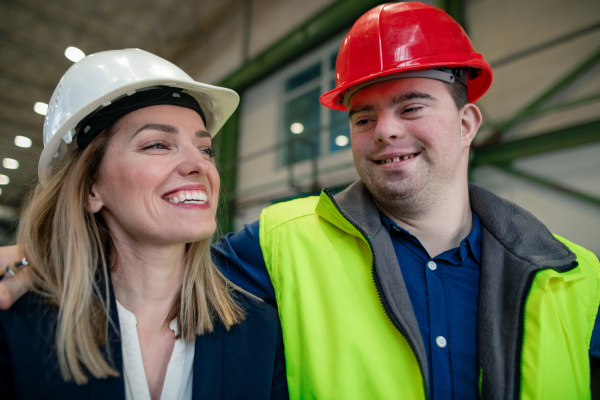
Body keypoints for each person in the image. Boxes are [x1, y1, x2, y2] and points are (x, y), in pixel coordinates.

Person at [1, 2, 599, 399]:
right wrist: (35, 259)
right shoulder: (281, 242)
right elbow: (147, 259)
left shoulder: (576, 278)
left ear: (468, 122)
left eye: (411, 105)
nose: (386, 130)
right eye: (364, 116)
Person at [0, 49, 287, 399]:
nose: (199, 165)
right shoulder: (18, 326)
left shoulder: (259, 329)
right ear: (92, 188)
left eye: (205, 149)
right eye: (157, 145)